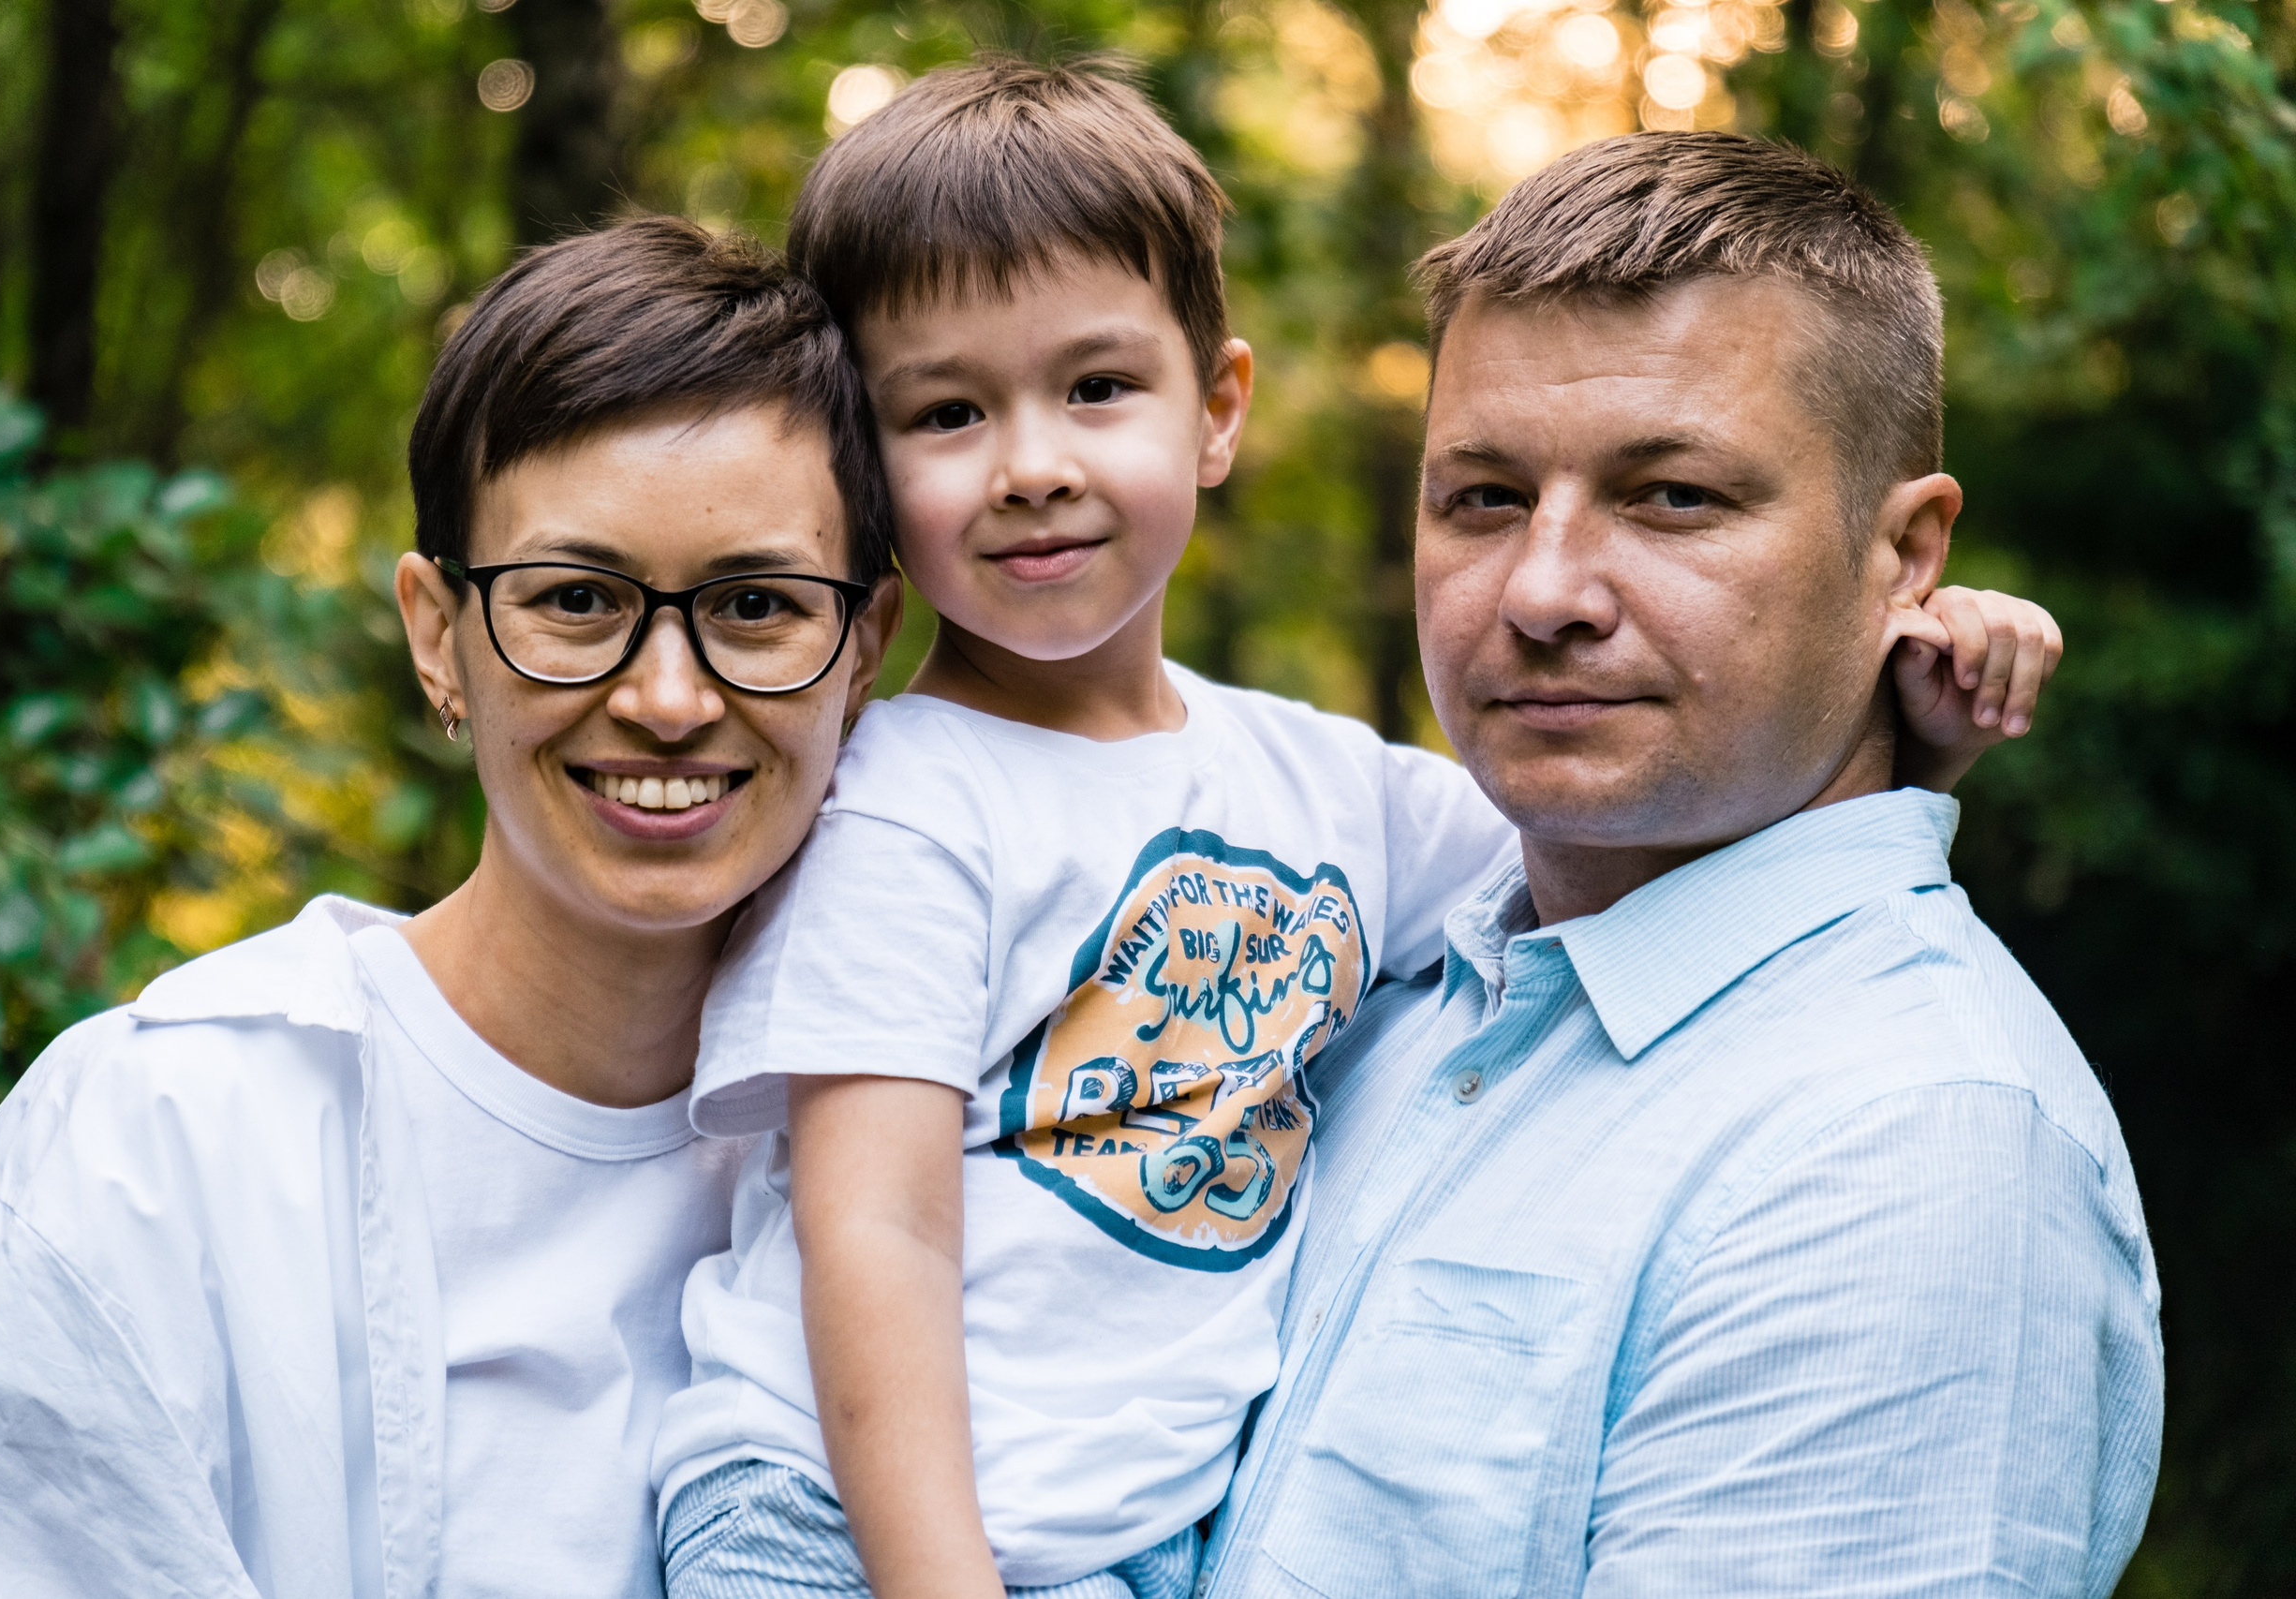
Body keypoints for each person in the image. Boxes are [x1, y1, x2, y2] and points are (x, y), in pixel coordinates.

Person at [648, 65, 2066, 1599]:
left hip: (1102, 1537)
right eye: (943, 413)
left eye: (1671, 497)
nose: (1035, 463)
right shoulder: (905, 810)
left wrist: (1902, 734)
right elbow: (875, 1241)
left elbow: (1693, 872)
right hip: (842, 1528)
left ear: (1220, 410)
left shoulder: (1331, 797)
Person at [1196, 132, 2162, 1599]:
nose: (1540, 593)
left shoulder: (1906, 1148)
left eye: (1673, 499)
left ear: (1907, 555)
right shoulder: (1376, 993)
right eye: (1482, 498)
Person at [0, 216, 901, 1598]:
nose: (669, 700)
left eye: (757, 606)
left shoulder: (964, 1152)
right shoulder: (161, 1144)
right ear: (440, 637)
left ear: (864, 649)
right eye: (575, 598)